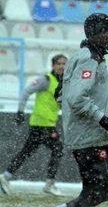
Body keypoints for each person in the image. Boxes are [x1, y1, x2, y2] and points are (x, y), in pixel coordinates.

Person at [40, 13, 108, 207]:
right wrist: (102, 119)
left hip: (88, 135)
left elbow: (61, 93)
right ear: (96, 33)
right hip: (89, 136)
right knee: (96, 190)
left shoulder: (81, 57)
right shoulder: (89, 59)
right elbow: (76, 98)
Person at [1, 54, 67, 196]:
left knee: (27, 151)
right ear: (53, 65)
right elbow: (26, 92)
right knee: (58, 148)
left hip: (45, 123)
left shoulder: (62, 82)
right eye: (59, 63)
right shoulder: (46, 79)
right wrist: (20, 111)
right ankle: (50, 183)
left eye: (64, 64)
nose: (62, 66)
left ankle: (6, 176)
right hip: (42, 124)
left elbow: (58, 103)